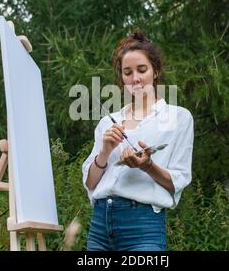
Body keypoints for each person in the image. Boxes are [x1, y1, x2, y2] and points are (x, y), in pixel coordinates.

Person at [82, 30, 194, 251]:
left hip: (143, 226)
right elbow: (91, 183)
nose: (135, 78)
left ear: (156, 71)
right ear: (122, 78)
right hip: (100, 227)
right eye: (127, 72)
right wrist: (105, 152)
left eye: (142, 70)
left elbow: (177, 181)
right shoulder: (108, 122)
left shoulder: (179, 118)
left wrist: (148, 165)